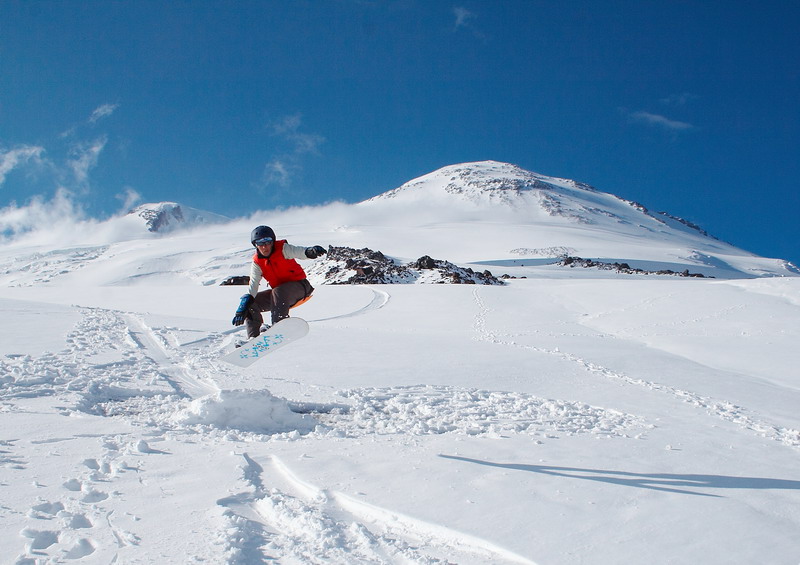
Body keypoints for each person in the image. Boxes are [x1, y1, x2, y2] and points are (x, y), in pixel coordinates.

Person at [231, 225, 326, 339]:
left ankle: (279, 327)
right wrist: (244, 305)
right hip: (279, 296)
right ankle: (253, 339)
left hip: (300, 287)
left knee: (278, 291)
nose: (264, 246)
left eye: (268, 241)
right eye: (260, 243)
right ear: (255, 245)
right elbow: (254, 284)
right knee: (251, 304)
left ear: (273, 242)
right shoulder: (257, 262)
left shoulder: (283, 249)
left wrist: (310, 252)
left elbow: (300, 252)